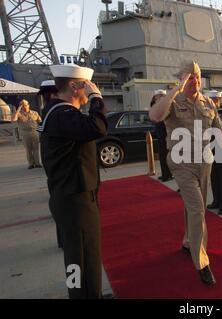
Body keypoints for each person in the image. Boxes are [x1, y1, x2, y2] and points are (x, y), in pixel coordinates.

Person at [149, 61, 222, 285]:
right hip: (181, 162)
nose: (194, 82)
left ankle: (189, 240)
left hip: (204, 161)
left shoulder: (208, 102)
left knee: (194, 206)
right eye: (189, 78)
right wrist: (175, 90)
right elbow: (155, 116)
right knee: (198, 208)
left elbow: (218, 129)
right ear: (181, 80)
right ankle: (201, 262)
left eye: (197, 77)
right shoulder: (171, 100)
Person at [38, 64, 108, 299]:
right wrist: (96, 98)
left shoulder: (55, 111)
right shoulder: (62, 113)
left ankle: (82, 293)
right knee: (83, 256)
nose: (89, 89)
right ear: (75, 86)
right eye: (86, 85)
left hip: (70, 195)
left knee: (76, 257)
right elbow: (98, 127)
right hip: (76, 199)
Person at [37, 80, 63, 248]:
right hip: (61, 169)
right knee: (64, 205)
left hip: (53, 166)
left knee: (58, 199)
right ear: (54, 94)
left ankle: (62, 239)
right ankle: (65, 240)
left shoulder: (46, 111)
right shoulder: (57, 113)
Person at [11, 99, 42, 169]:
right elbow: (13, 119)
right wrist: (18, 109)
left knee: (36, 149)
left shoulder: (35, 113)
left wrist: (40, 132)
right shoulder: (19, 114)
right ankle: (31, 164)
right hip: (25, 133)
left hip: (34, 132)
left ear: (28, 105)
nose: (24, 107)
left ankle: (37, 163)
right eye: (22, 105)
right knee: (28, 149)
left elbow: (40, 122)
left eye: (25, 105)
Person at [151, 89, 173, 182]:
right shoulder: (155, 105)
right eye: (157, 97)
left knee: (167, 156)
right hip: (160, 133)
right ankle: (165, 174)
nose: (158, 98)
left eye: (160, 97)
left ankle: (168, 175)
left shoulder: (167, 105)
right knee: (162, 155)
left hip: (166, 134)